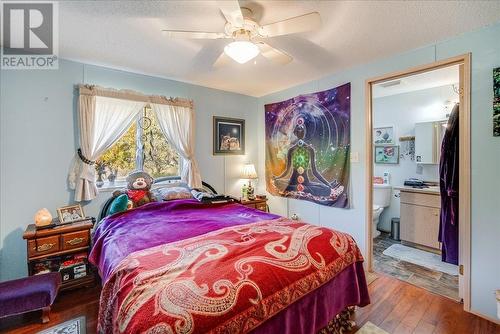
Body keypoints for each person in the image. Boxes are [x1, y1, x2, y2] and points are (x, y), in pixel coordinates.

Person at [272, 118, 338, 197]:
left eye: (302, 129)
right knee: (278, 182)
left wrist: (328, 184)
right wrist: (277, 177)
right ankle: (301, 188)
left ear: (304, 132)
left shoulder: (310, 149)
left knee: (326, 189)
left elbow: (315, 172)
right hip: (293, 182)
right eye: (298, 130)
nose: (300, 132)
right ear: (295, 133)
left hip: (306, 182)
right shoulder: (291, 150)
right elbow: (287, 170)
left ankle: (306, 188)